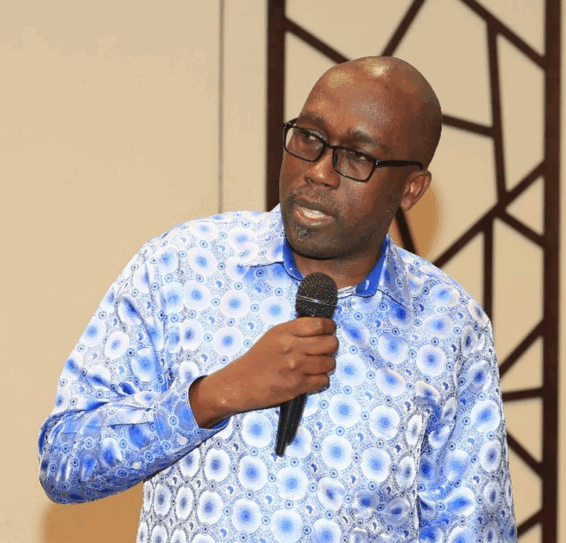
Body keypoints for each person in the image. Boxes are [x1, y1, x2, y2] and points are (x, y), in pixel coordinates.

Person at [38, 56, 517, 542]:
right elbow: (63, 460)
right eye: (309, 137)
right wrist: (211, 397)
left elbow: (474, 529)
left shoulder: (449, 324)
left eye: (357, 156)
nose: (320, 172)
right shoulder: (181, 265)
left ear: (411, 189)